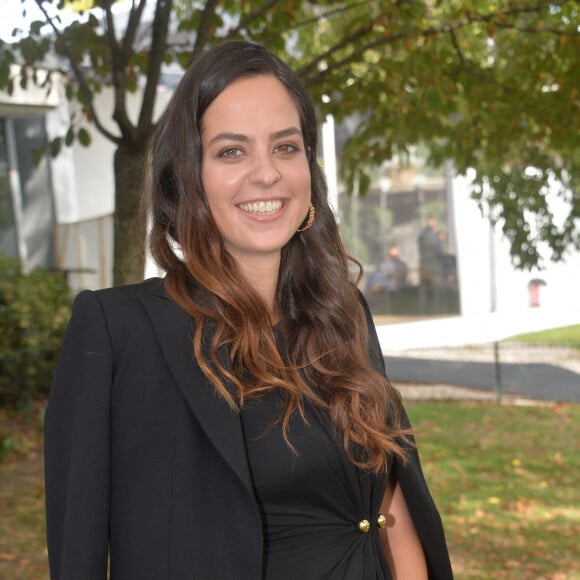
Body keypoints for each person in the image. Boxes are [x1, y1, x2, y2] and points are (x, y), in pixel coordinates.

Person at [44, 41, 453, 580]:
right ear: (189, 176)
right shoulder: (118, 332)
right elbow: (78, 556)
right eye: (232, 151)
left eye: (285, 147)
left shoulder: (343, 312)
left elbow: (390, 509)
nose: (267, 174)